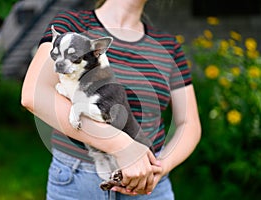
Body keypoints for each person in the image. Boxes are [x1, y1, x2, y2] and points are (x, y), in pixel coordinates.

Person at [21, 0, 201, 199]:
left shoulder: (169, 46)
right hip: (78, 181)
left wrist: (159, 167)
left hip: (148, 184)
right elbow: (34, 94)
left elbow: (189, 124)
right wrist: (122, 146)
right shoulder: (71, 25)